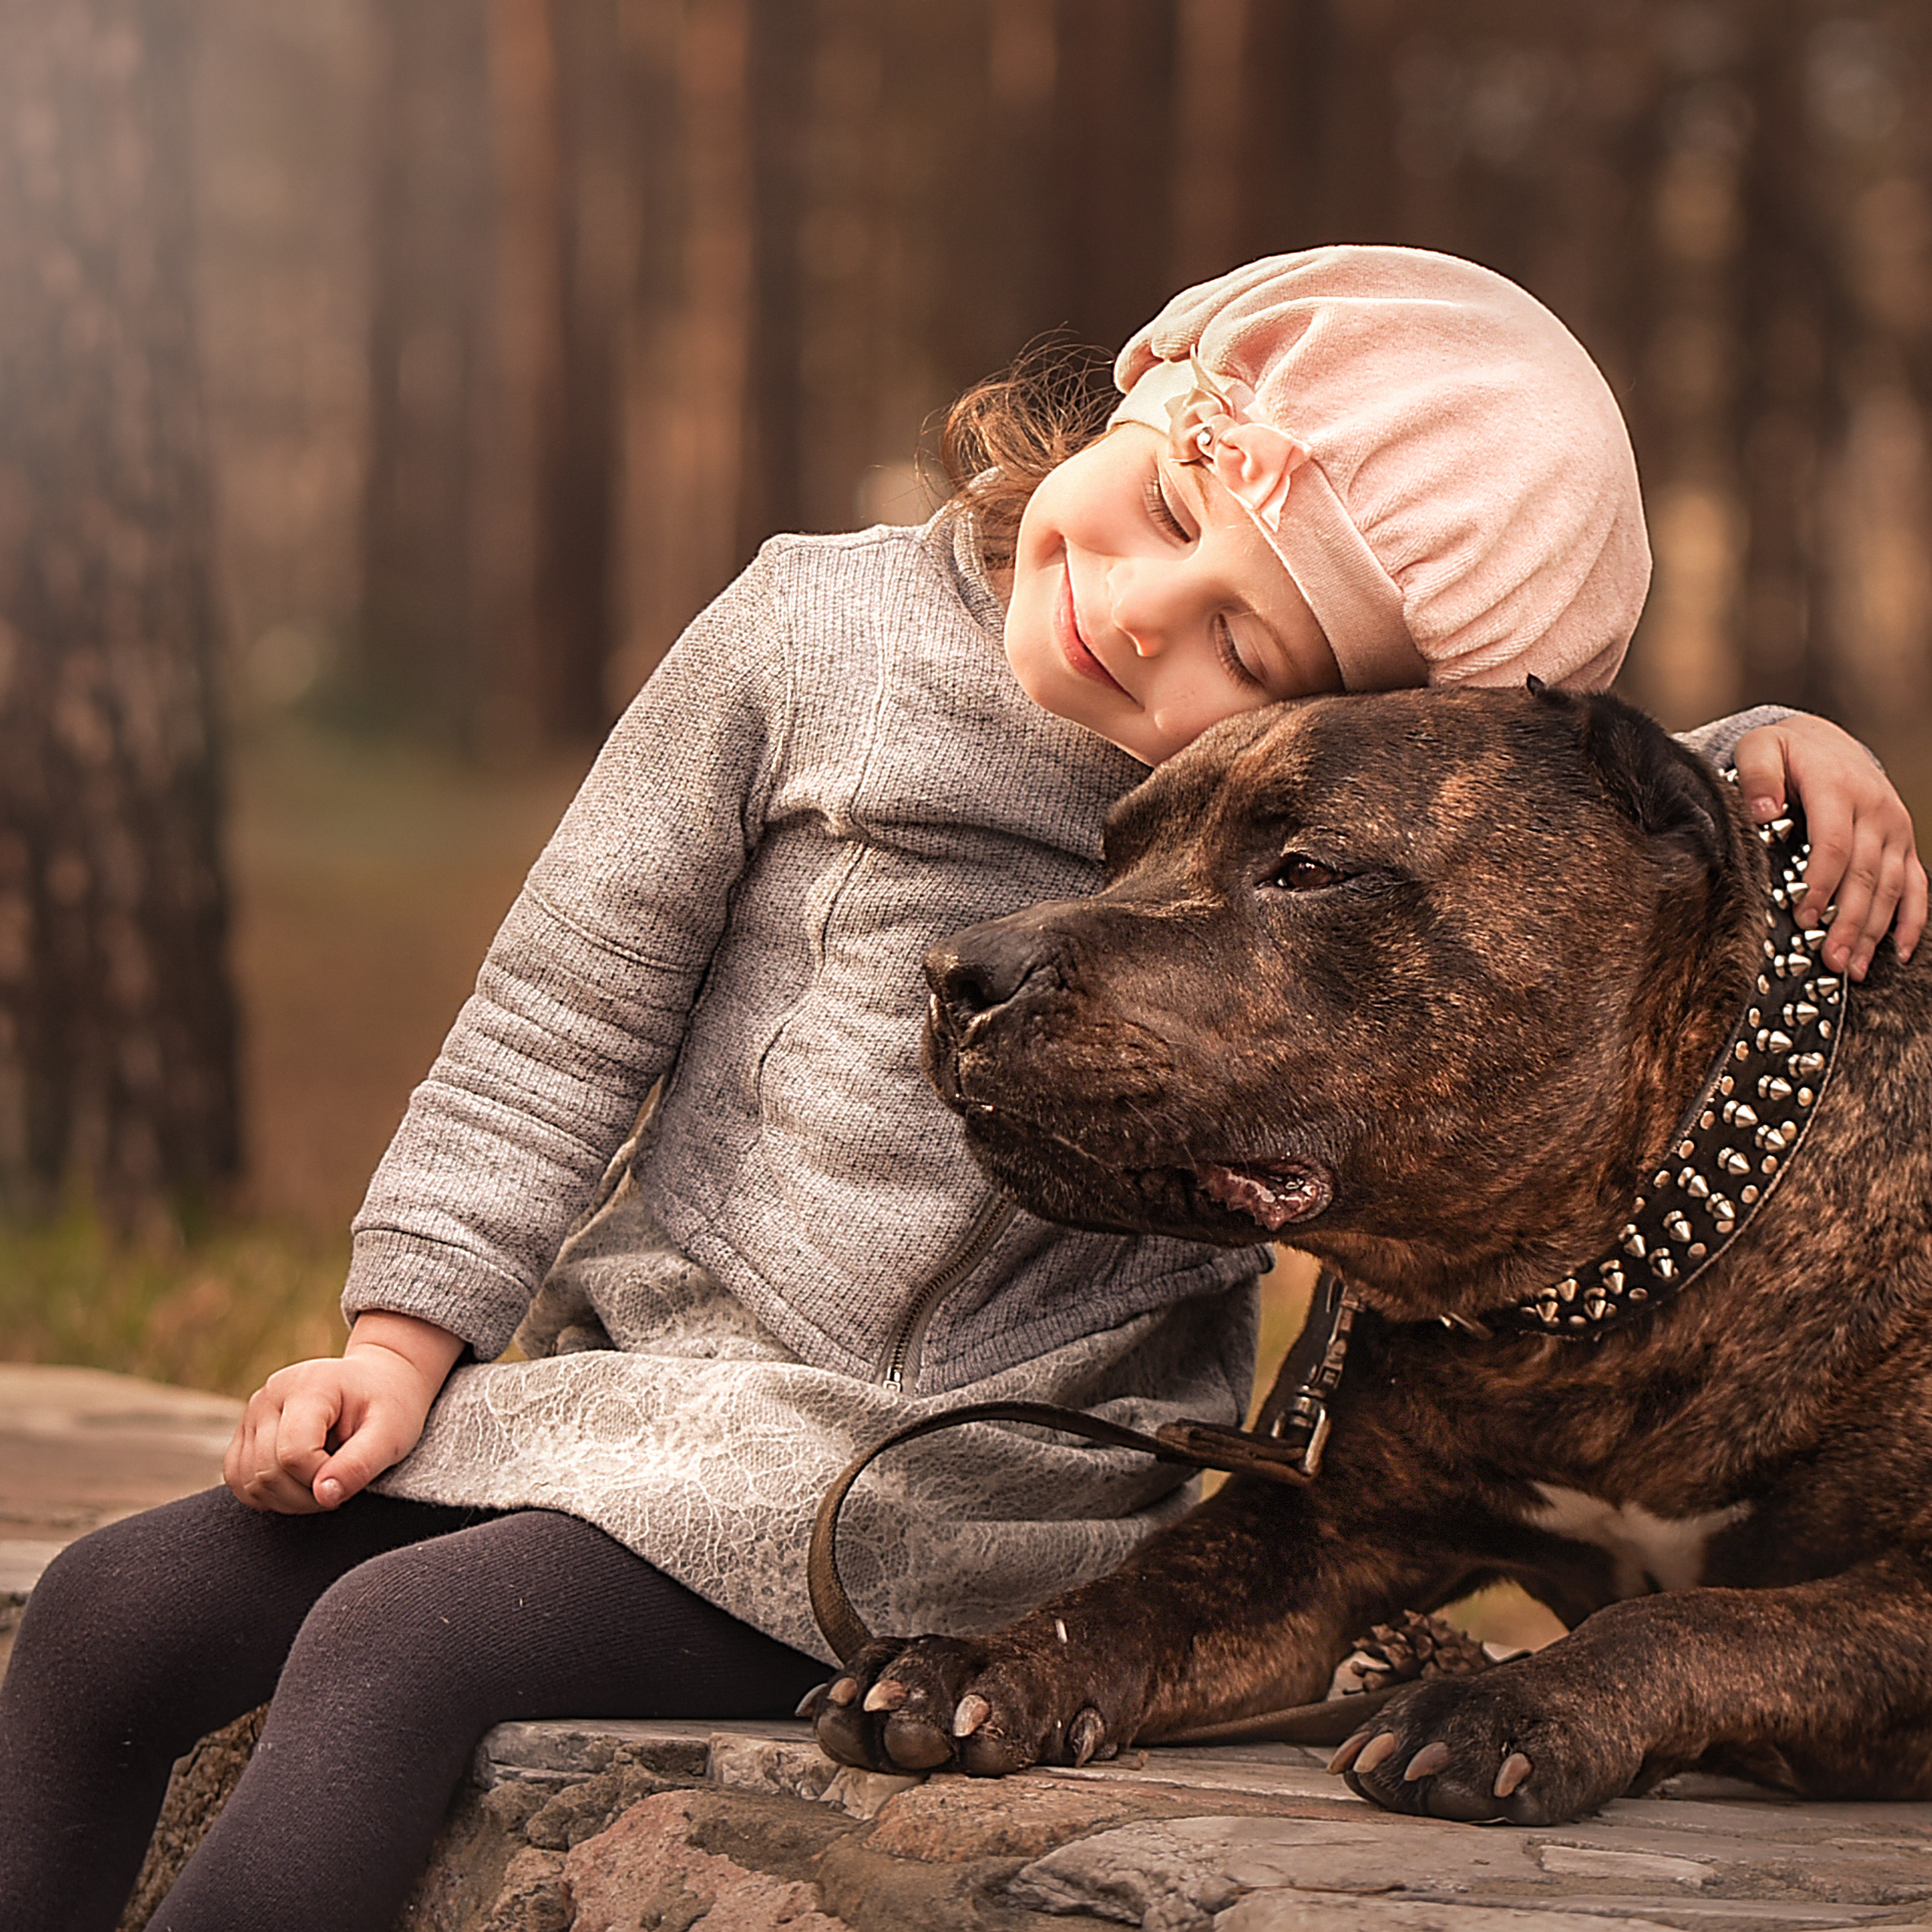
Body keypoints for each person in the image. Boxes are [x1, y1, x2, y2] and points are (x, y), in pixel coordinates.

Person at [2, 247, 1922, 1931]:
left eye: (1246, 647)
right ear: (1148, 393)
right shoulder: (805, 634)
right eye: (1164, 500)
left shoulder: (1372, 792)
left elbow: (1542, 814)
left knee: (391, 1641)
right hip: (649, 1395)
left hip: (987, 1476)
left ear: (1340, 704)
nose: (1138, 610)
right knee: (107, 1605)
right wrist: (400, 1338)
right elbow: (557, 1007)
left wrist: (1761, 746)